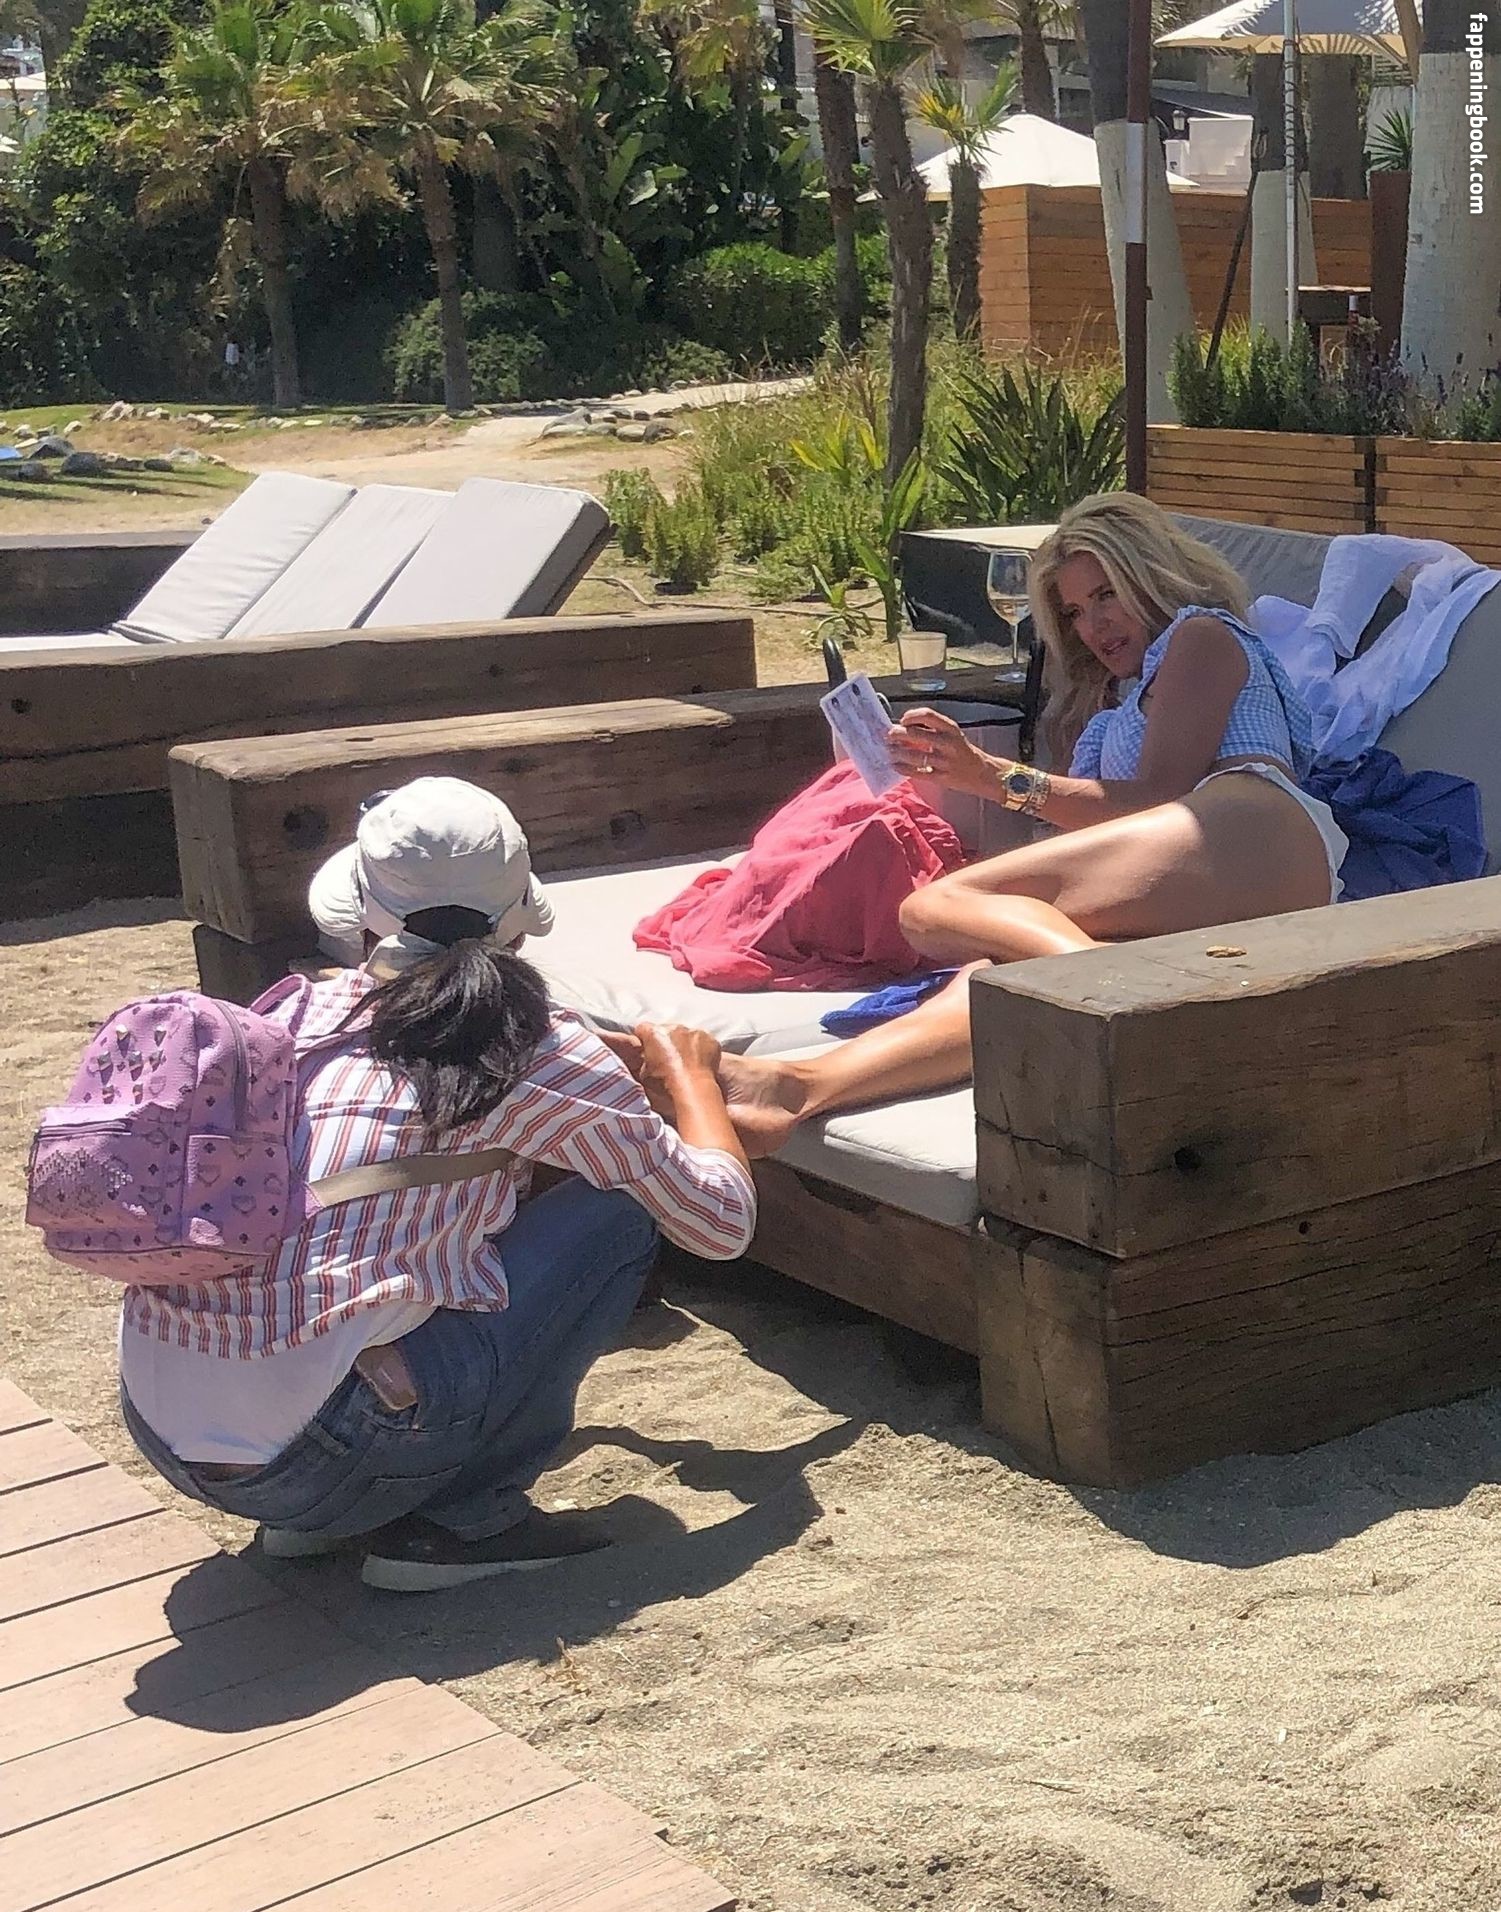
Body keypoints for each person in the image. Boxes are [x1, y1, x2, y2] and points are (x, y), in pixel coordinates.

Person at [119, 777, 756, 1592]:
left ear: (362, 910)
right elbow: (720, 1224)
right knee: (615, 1214)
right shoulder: (537, 1049)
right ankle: (462, 1522)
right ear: (518, 915)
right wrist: (689, 1075)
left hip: (165, 1436)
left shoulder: (290, 1015)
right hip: (331, 1461)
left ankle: (309, 1521)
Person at [712, 493, 1350, 1151]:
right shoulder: (1115, 699)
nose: (1093, 625)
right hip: (1213, 875)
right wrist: (976, 791)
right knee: (997, 976)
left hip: (1253, 826)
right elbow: (1111, 828)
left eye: (1106, 594)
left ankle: (1130, 1005)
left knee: (934, 908)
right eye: (1074, 612)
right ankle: (796, 1085)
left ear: (1151, 574)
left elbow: (1160, 797)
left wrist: (990, 777)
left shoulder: (1202, 636)